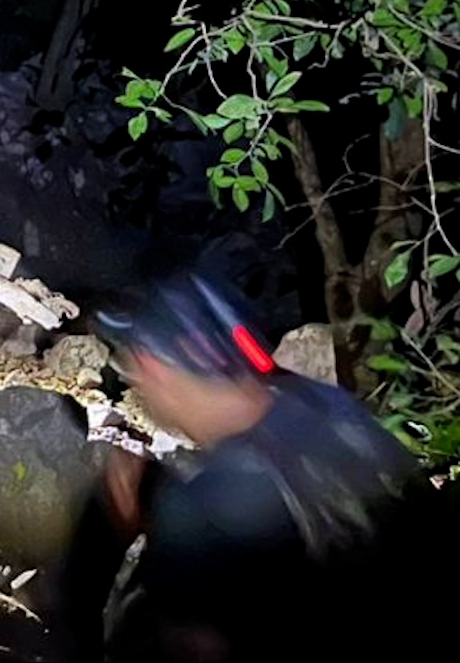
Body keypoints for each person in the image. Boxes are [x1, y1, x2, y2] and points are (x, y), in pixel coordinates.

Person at [55, 275, 455, 660]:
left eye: (135, 370)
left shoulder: (205, 510)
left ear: (155, 368)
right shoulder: (328, 407)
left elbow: (188, 647)